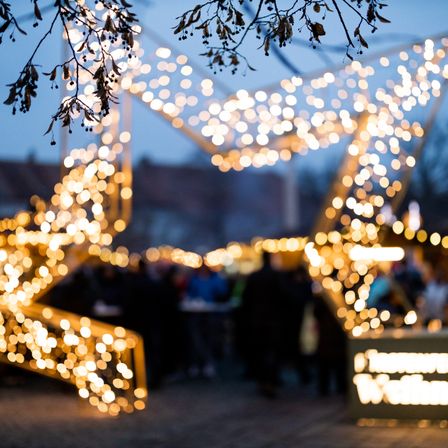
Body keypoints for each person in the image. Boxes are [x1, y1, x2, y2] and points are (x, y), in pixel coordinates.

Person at [241, 251, 283, 398]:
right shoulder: (276, 276)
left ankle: (262, 380)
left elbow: (246, 299)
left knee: (260, 352)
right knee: (271, 352)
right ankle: (270, 381)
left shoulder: (255, 276)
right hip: (273, 321)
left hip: (257, 320)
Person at [124, 259, 163, 389]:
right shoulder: (153, 283)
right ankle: (154, 380)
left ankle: (137, 381)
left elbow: (128, 304)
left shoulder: (133, 284)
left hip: (138, 322)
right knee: (151, 353)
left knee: (138, 353)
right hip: (152, 321)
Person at [185, 264, 228, 378]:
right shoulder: (194, 279)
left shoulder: (216, 279)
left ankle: (208, 363)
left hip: (212, 313)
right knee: (196, 338)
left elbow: (222, 293)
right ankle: (198, 363)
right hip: (196, 313)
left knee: (210, 338)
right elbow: (189, 293)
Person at [281, 265, 313, 385]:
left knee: (299, 350)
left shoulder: (297, 288)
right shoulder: (298, 289)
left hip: (299, 324)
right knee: (299, 350)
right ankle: (304, 374)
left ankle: (304, 373)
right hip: (297, 324)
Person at [313, 294, 347, 396]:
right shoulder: (329, 296)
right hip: (332, 335)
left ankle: (327, 388)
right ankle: (333, 387)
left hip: (331, 335)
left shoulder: (324, 296)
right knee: (331, 363)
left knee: (329, 363)